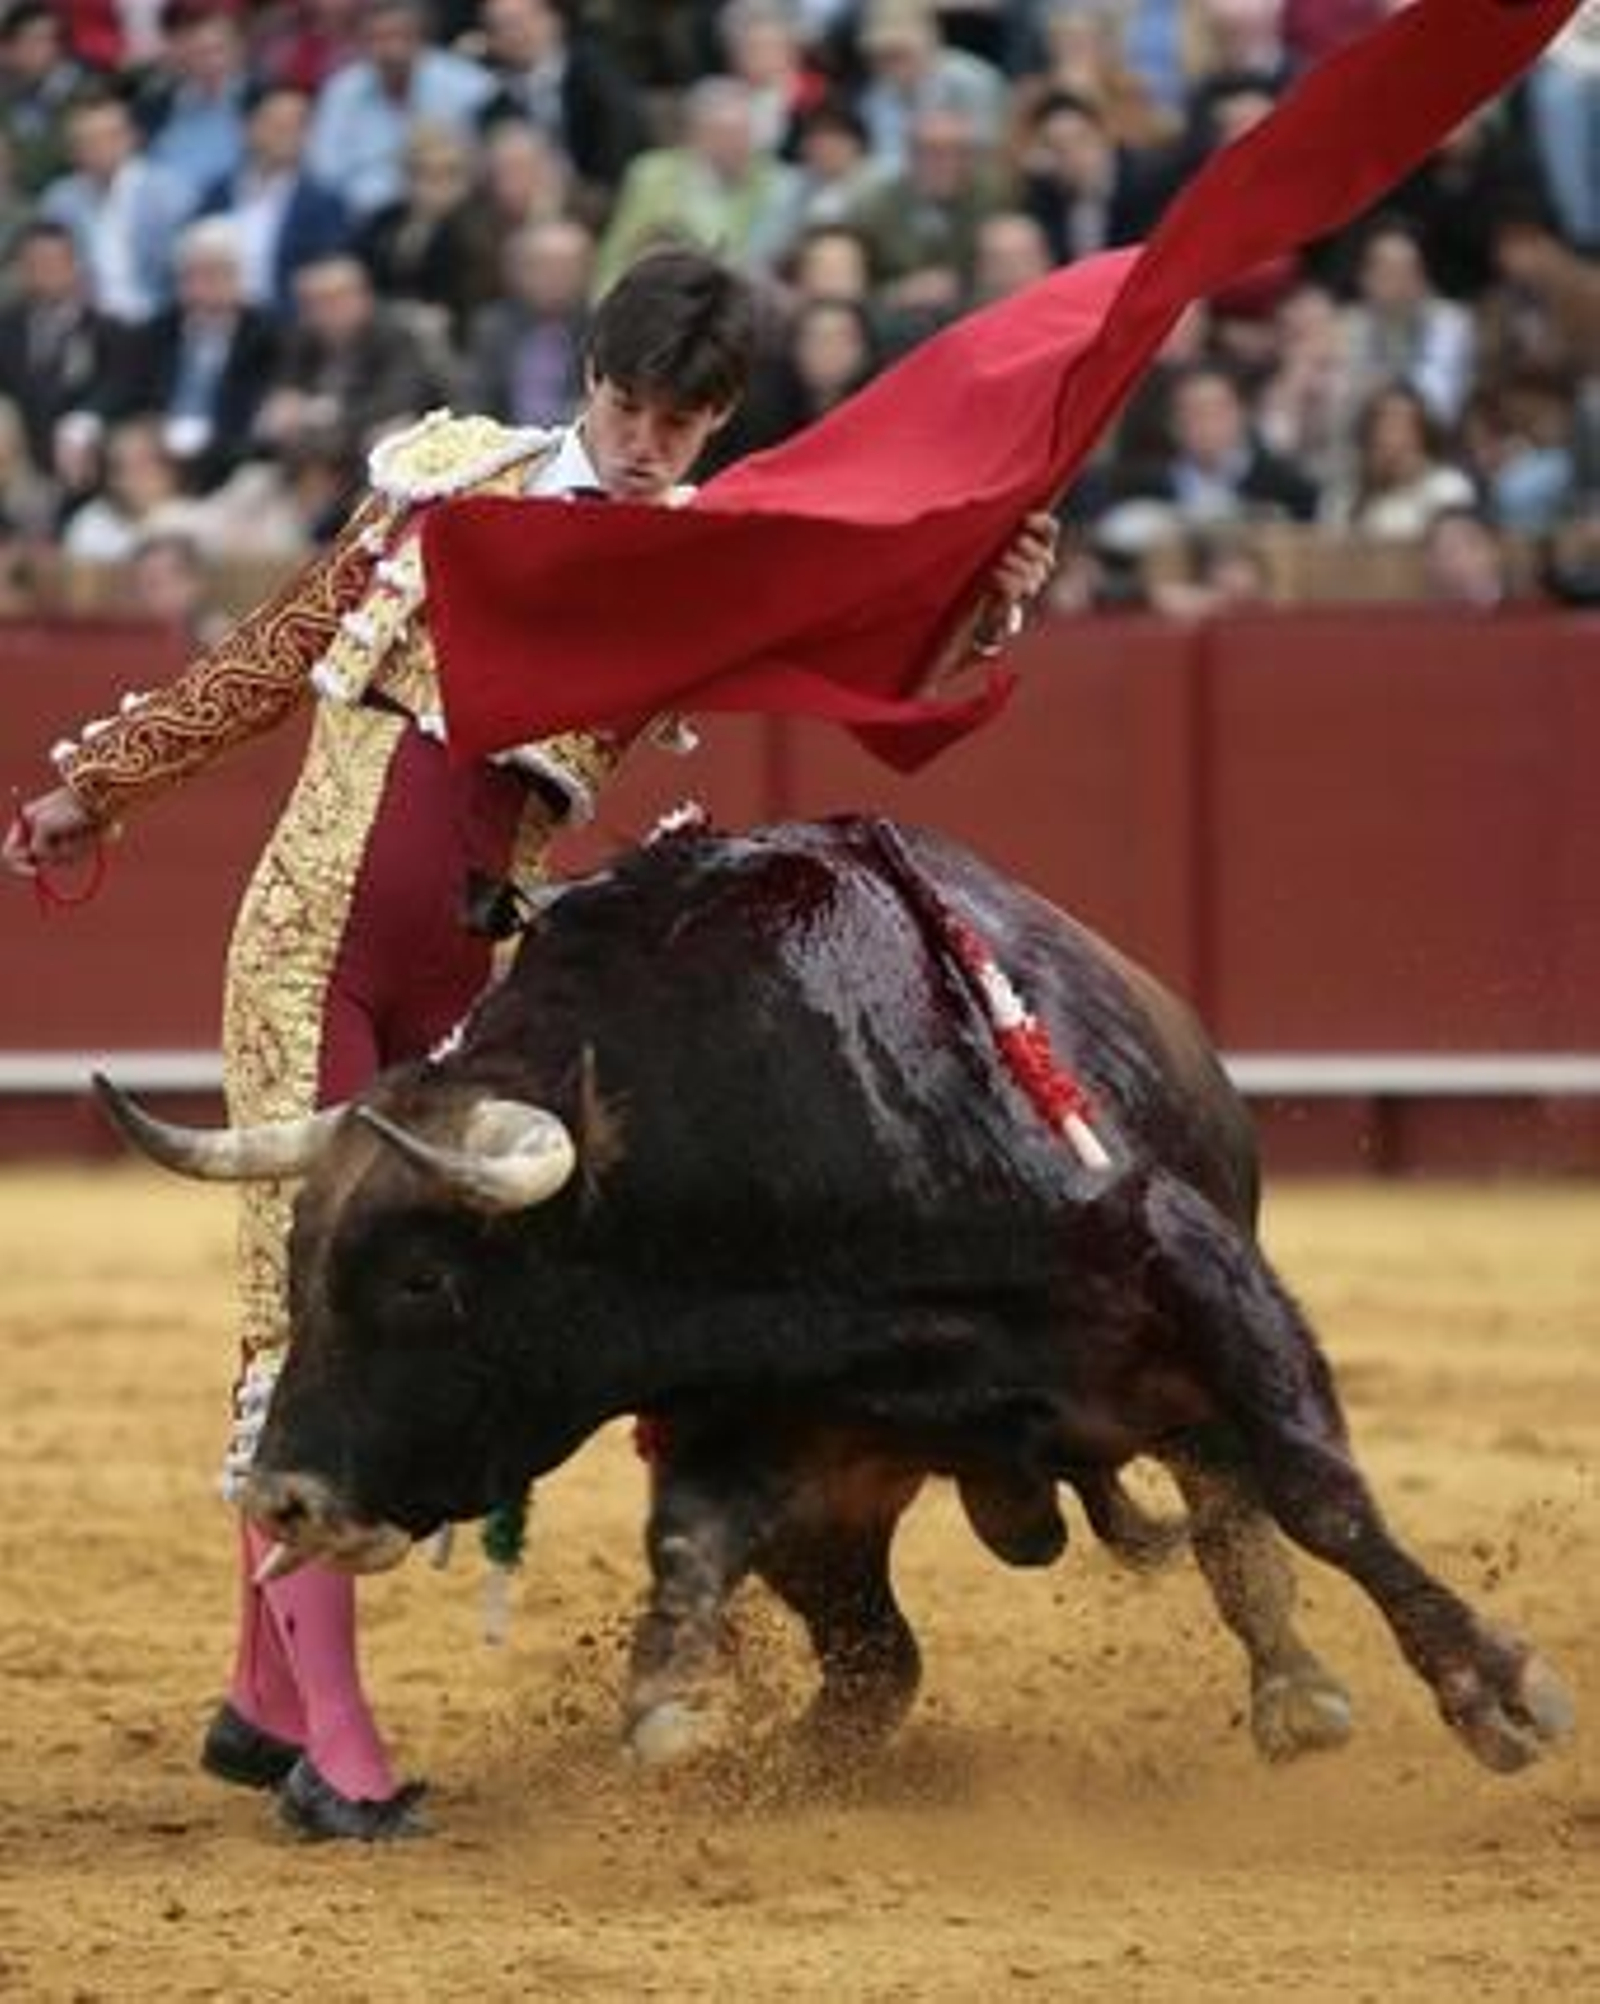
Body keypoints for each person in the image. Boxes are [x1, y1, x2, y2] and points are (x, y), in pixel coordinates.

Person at [4, 243, 1056, 1842]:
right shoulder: (448, 487)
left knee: (442, 1304)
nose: (644, 443)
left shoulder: (706, 562)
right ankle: (331, 1748)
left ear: (715, 423)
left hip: (474, 983)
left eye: (679, 422)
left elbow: (856, 656)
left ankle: (260, 1696)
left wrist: (990, 590)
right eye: (627, 406)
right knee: (306, 1316)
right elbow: (282, 647)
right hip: (315, 948)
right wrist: (109, 783)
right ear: (586, 382)